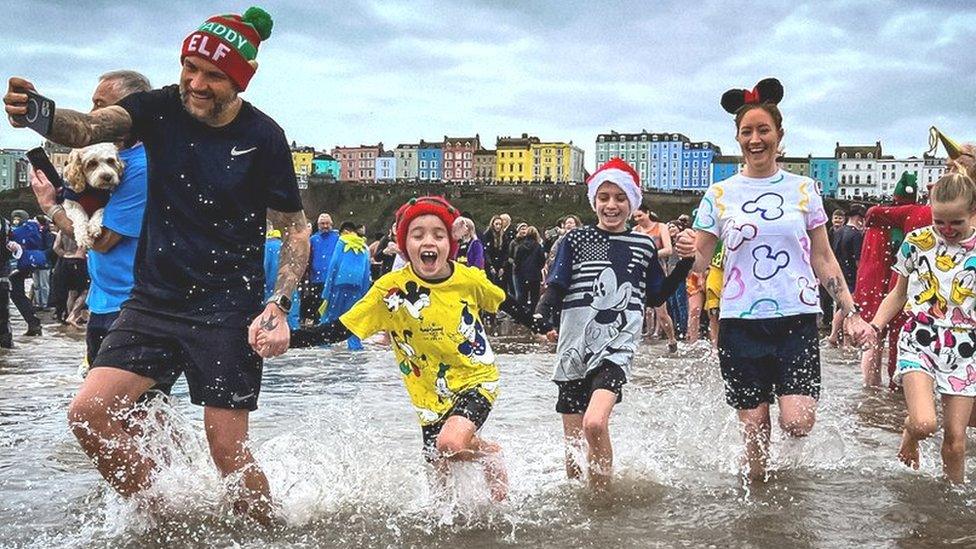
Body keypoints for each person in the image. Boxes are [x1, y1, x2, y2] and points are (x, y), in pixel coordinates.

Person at [6, 7, 309, 525]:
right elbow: (89, 127)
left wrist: (278, 305)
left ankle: (272, 533)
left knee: (227, 454)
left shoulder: (264, 137)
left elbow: (295, 228)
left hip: (226, 308)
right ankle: (169, 519)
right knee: (89, 415)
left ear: (238, 80)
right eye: (189, 67)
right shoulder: (160, 107)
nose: (195, 82)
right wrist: (37, 113)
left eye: (213, 74)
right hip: (152, 301)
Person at [278, 196, 550, 502]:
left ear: (450, 243)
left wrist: (542, 327)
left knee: (450, 444)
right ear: (405, 245)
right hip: (427, 395)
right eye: (417, 234)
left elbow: (507, 303)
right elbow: (341, 328)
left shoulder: (468, 279)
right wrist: (290, 338)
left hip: (476, 378)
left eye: (438, 234)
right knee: (439, 490)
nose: (428, 241)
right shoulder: (389, 289)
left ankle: (491, 453)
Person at [690, 78, 867, 481]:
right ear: (737, 138)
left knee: (798, 422)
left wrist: (850, 312)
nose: (755, 139)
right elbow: (700, 260)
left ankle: (788, 474)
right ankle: (760, 502)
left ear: (778, 135)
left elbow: (824, 258)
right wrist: (684, 253)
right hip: (739, 322)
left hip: (796, 318)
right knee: (753, 428)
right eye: (747, 132)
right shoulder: (718, 195)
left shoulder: (804, 190)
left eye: (763, 130)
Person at [538, 158, 693, 491]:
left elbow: (655, 296)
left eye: (620, 198)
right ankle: (585, 511)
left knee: (595, 423)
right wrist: (543, 312)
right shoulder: (575, 239)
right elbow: (557, 282)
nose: (612, 205)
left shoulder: (642, 245)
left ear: (632, 203)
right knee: (573, 449)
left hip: (616, 346)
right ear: (594, 201)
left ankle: (602, 497)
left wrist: (687, 263)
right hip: (574, 348)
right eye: (604, 197)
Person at [852, 173, 976, 483]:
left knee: (956, 442)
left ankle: (950, 508)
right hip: (920, 339)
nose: (947, 230)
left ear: (973, 212)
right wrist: (876, 326)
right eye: (940, 221)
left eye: (956, 223)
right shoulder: (917, 243)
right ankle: (910, 432)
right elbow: (898, 293)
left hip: (965, 349)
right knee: (924, 424)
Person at [28, 71, 153, 374]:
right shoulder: (115, 159)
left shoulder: (139, 166)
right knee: (122, 413)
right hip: (103, 301)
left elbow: (101, 241)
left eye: (101, 105)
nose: (93, 113)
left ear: (130, 110)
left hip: (133, 305)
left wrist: (50, 207)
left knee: (95, 409)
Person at [318, 221, 371, 350]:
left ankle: (323, 342)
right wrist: (364, 293)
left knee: (330, 315)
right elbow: (366, 271)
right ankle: (355, 345)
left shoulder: (342, 242)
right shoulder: (363, 246)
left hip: (340, 284)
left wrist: (327, 291)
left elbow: (334, 265)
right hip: (357, 286)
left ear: (344, 232)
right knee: (353, 318)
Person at [633, 206, 679, 352]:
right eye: (635, 217)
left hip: (657, 271)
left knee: (661, 312)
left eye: (640, 216)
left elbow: (668, 249)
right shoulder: (635, 230)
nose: (638, 219)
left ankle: (672, 340)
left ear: (647, 213)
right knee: (637, 308)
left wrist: (649, 255)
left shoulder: (661, 227)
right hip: (639, 272)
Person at [828, 204, 866, 346]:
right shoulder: (855, 234)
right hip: (851, 274)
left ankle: (841, 338)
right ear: (858, 218)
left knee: (840, 305)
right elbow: (858, 260)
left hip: (838, 271)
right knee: (848, 306)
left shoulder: (838, 231)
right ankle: (838, 337)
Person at [8, 209, 44, 336]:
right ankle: (33, 322)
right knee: (18, 294)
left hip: (16, 266)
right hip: (25, 264)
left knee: (16, 295)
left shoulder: (16, 231)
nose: (16, 220)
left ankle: (34, 323)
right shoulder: (34, 229)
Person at [263, 228, 301, 330]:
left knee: (271, 315)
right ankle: (294, 333)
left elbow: (265, 267)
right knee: (292, 310)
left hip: (270, 287)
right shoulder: (288, 246)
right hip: (289, 284)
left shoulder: (266, 247)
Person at [304, 213, 338, 323]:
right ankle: (318, 323)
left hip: (332, 278)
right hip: (316, 278)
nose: (325, 226)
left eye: (327, 223)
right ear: (318, 225)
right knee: (317, 302)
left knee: (331, 302)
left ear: (331, 224)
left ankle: (329, 323)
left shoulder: (337, 238)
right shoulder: (313, 239)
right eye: (322, 223)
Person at [52, 228, 89, 329]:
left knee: (72, 292)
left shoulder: (62, 230)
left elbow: (55, 247)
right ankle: (73, 316)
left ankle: (70, 317)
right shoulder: (81, 229)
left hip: (65, 262)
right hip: (79, 260)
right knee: (86, 291)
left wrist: (65, 255)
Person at [512, 225, 545, 310]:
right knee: (534, 297)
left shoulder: (521, 246)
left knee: (522, 296)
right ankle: (533, 313)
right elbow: (542, 260)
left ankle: (520, 314)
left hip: (521, 274)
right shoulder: (538, 246)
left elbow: (516, 260)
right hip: (534, 275)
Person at [482, 215, 510, 288]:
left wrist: (503, 267)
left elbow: (506, 252)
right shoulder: (487, 235)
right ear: (492, 224)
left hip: (501, 265)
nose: (498, 226)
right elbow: (486, 252)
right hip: (490, 264)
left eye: (500, 224)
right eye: (496, 224)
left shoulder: (504, 236)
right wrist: (490, 266)